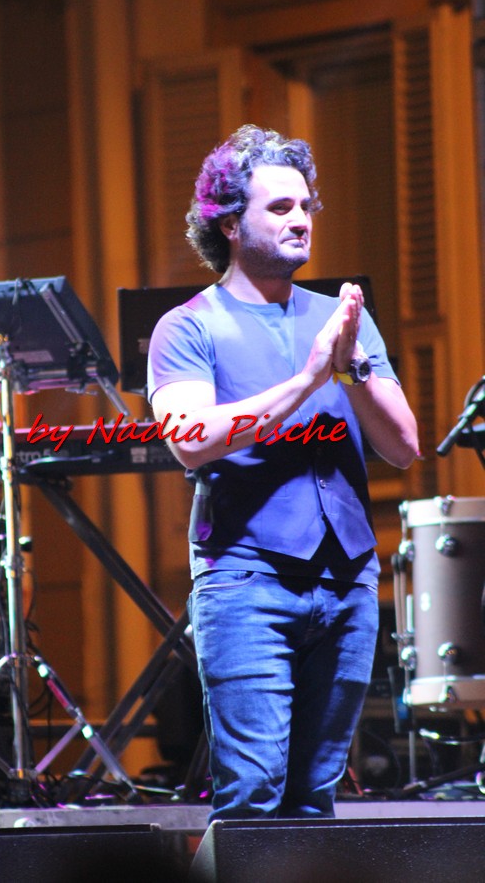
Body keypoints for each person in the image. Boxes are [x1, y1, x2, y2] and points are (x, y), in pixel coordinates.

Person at [147, 125, 418, 821]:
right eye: (279, 207)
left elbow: (404, 446)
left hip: (348, 579)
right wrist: (307, 378)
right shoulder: (188, 326)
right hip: (247, 580)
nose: (301, 219)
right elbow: (189, 440)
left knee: (313, 802)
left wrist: (352, 365)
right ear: (229, 224)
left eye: (305, 206)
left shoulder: (342, 320)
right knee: (254, 796)